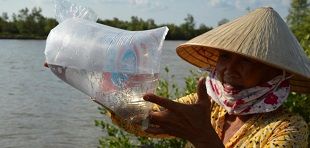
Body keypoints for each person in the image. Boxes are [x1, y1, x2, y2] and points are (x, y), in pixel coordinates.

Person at [44, 7, 309, 147]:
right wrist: (96, 82)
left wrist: (203, 137)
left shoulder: (289, 129)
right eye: (226, 57)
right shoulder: (209, 107)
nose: (229, 69)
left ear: (277, 74)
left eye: (248, 60)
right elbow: (145, 122)